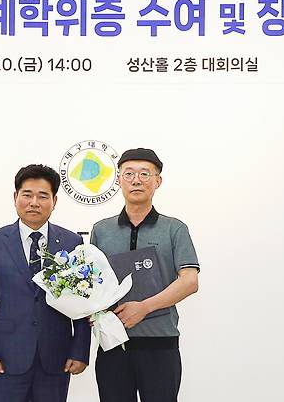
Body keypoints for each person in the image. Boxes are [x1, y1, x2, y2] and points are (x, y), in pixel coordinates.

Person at [0, 164, 91, 402]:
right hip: (5, 359)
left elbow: (82, 301)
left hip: (55, 359)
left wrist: (80, 350)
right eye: (27, 194)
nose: (34, 202)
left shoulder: (71, 242)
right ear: (16, 197)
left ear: (54, 201)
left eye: (43, 196)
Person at [90, 148, 200, 402]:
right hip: (113, 345)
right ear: (118, 180)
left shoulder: (174, 228)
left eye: (144, 174)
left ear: (157, 181)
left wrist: (144, 307)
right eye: (128, 174)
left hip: (160, 344)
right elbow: (94, 284)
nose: (136, 180)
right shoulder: (101, 230)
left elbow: (190, 281)